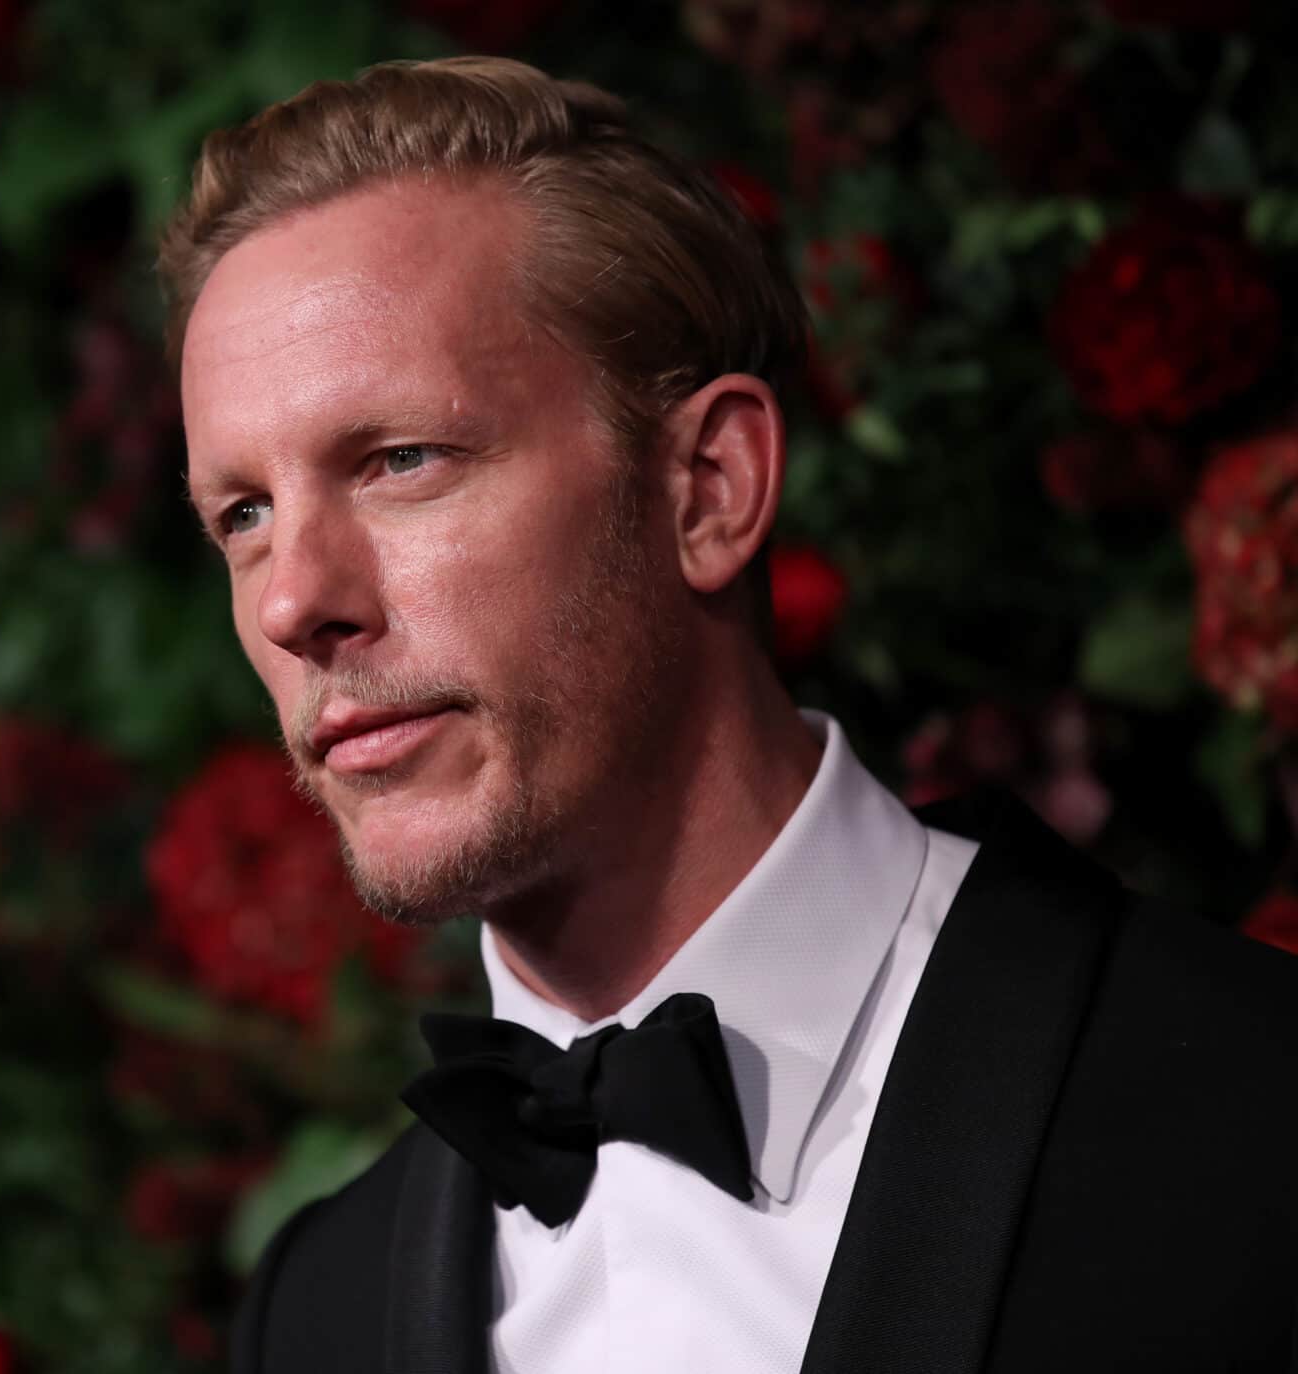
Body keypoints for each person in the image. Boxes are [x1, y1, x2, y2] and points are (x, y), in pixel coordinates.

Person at [159, 55, 1298, 1374]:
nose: (296, 596)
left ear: (709, 486)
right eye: (242, 514)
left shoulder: (1254, 1115)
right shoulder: (313, 1318)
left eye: (402, 458)